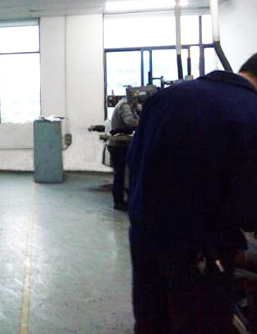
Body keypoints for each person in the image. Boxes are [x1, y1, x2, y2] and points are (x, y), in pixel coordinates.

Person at [127, 53, 257, 333]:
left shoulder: (165, 98)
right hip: (202, 252)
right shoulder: (250, 111)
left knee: (151, 322)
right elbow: (248, 207)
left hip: (145, 237)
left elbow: (134, 162)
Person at [108, 95, 140, 211]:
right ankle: (118, 202)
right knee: (120, 174)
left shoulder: (129, 105)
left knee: (125, 174)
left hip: (123, 145)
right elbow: (130, 121)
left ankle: (126, 199)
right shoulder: (124, 105)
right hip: (118, 145)